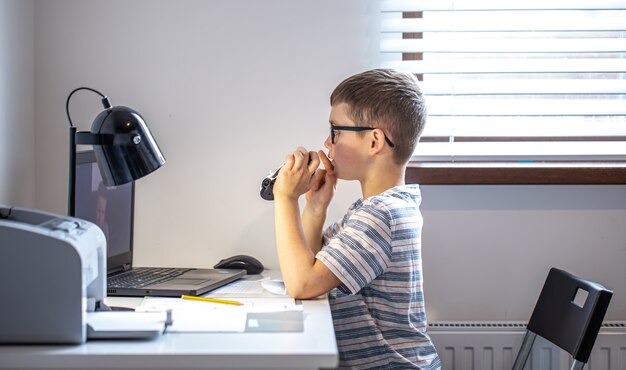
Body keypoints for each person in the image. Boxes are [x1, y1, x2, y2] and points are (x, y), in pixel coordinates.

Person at [272, 68, 440, 369]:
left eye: (336, 131)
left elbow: (301, 284)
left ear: (374, 141)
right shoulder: (374, 209)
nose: (327, 142)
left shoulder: (380, 216)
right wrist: (315, 207)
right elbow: (308, 267)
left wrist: (285, 198)